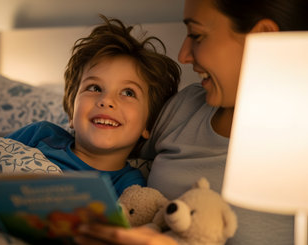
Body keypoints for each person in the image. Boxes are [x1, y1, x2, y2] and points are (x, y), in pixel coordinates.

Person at [75, 0, 308, 244]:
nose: (183, 55)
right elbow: (106, 148)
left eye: (197, 35)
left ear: (263, 38)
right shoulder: (185, 107)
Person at [0, 15, 181, 219]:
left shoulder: (129, 185)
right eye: (94, 88)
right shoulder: (42, 135)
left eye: (128, 92)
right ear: (71, 112)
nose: (106, 100)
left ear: (148, 125)